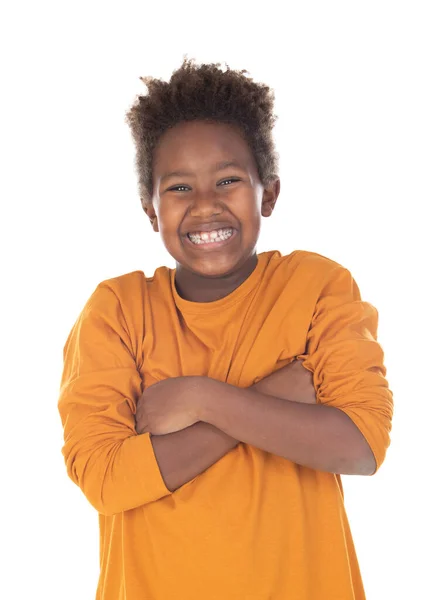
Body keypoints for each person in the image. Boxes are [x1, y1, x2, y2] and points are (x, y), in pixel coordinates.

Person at [58, 57, 394, 600]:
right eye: (180, 188)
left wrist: (203, 398)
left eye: (228, 180)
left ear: (269, 192)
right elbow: (106, 479)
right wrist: (274, 396)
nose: (206, 205)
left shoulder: (316, 287)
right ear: (151, 209)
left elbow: (360, 446)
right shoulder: (116, 310)